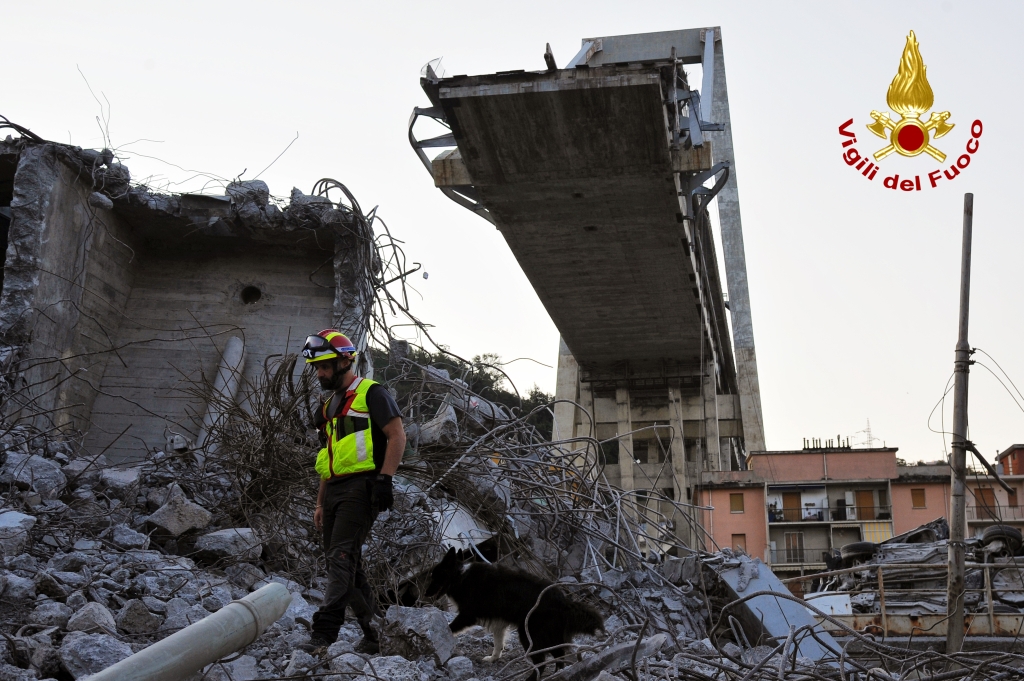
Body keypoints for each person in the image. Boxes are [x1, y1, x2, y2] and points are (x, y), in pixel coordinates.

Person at [301, 329, 406, 652]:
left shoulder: (372, 393)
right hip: (334, 489)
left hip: (362, 488)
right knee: (348, 563)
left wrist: (385, 479)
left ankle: (324, 634)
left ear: (346, 361)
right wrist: (320, 502)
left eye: (325, 366)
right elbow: (327, 456)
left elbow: (397, 436)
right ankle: (375, 634)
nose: (320, 373)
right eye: (317, 368)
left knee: (340, 557)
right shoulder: (328, 406)